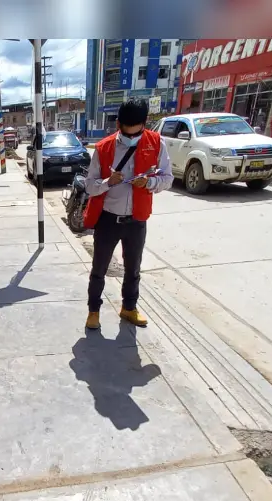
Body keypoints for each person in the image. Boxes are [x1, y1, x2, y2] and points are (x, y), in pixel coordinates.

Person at [82, 98, 173, 330]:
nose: (131, 137)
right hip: (108, 219)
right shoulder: (103, 148)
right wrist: (107, 181)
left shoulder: (156, 143)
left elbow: (168, 179)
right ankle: (93, 311)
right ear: (119, 124)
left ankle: (129, 308)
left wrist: (149, 182)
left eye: (137, 132)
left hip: (137, 220)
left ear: (144, 124)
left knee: (133, 269)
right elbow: (90, 186)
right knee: (99, 268)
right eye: (127, 132)